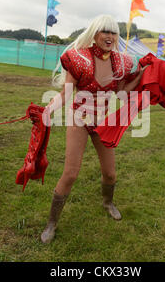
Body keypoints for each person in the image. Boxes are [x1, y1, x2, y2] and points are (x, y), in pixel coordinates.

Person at [40, 14, 146, 244]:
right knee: (70, 174)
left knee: (110, 173)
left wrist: (139, 77)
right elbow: (66, 94)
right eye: (105, 31)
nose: (109, 36)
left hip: (102, 123)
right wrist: (48, 109)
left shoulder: (120, 62)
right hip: (79, 120)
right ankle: (52, 223)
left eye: (113, 32)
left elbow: (119, 93)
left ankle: (108, 202)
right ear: (95, 33)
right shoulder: (79, 59)